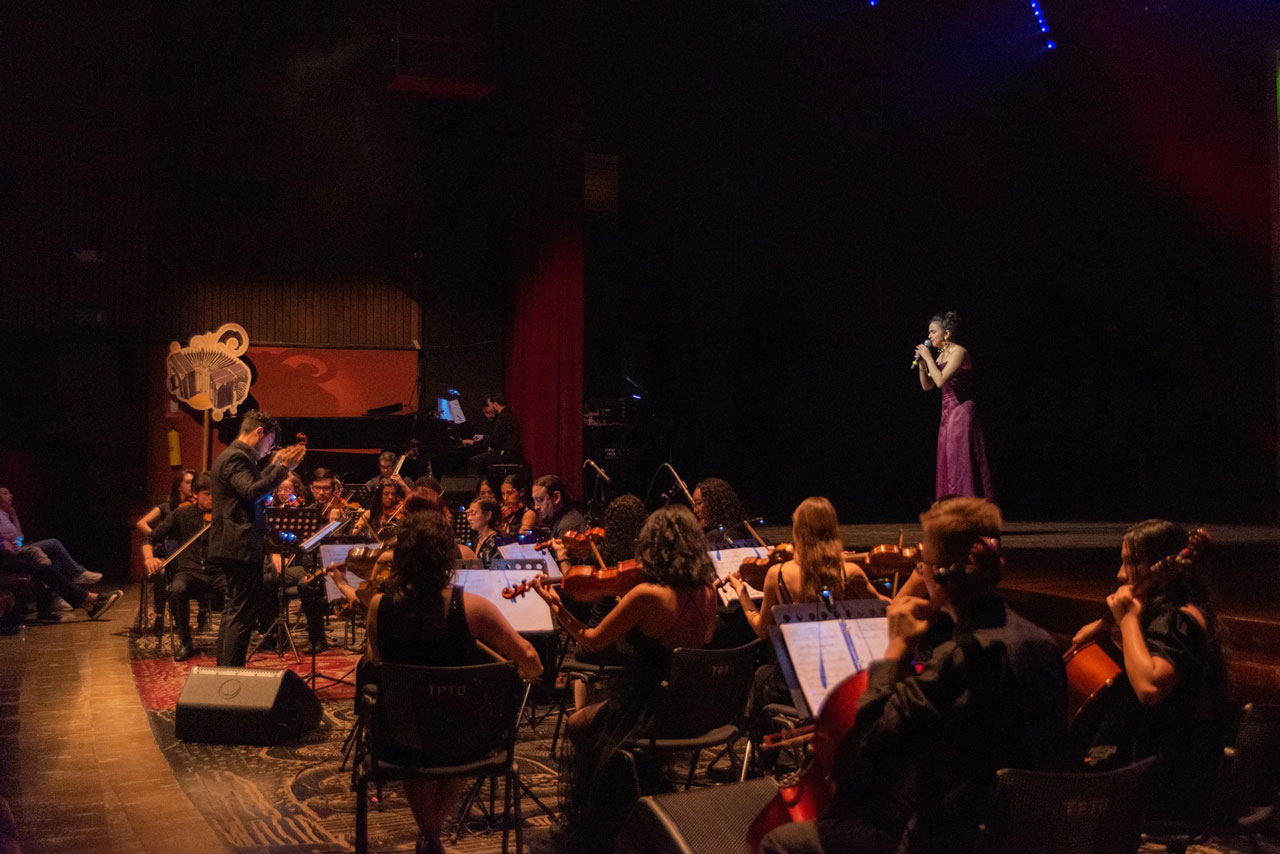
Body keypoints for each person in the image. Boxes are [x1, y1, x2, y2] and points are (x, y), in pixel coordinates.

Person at [760, 497, 1066, 854]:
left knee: (779, 843)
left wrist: (895, 648)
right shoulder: (1043, 645)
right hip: (1022, 839)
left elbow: (867, 748)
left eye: (922, 565)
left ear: (937, 577)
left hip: (951, 842)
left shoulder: (959, 662)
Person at [530, 504, 719, 846]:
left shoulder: (647, 595)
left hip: (644, 705)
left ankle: (605, 822)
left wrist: (556, 607)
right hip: (687, 707)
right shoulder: (709, 592)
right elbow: (696, 641)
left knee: (578, 725)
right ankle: (643, 796)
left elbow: (592, 640)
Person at [365, 510, 542, 854]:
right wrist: (523, 672)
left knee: (417, 723)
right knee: (458, 720)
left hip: (401, 736)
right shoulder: (474, 607)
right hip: (466, 737)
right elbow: (530, 660)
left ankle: (429, 834)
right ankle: (432, 834)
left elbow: (376, 664)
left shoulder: (378, 606)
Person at [1069, 520, 1226, 823]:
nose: (1120, 573)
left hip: (1166, 782)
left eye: (1131, 562)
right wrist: (1105, 626)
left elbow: (1150, 688)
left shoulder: (1180, 620)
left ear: (1160, 568)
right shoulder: (1161, 617)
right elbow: (1119, 666)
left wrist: (1126, 618)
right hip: (1143, 768)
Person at [209, 410, 305, 667]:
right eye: (270, 442)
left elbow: (251, 490)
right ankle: (230, 673)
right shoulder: (236, 458)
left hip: (236, 545)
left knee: (235, 613)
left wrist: (275, 466)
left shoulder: (234, 457)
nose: (269, 449)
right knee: (240, 615)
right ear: (260, 432)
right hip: (238, 545)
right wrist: (283, 469)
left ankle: (227, 671)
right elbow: (251, 493)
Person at [142, 474, 225, 661]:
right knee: (177, 590)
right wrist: (149, 558)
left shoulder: (223, 514)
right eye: (207, 494)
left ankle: (228, 642)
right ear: (195, 494)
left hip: (217, 572)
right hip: (189, 573)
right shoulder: (183, 514)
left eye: (215, 494)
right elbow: (150, 538)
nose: (212, 498)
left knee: (236, 593)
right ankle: (185, 642)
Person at [914, 311, 994, 500]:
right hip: (947, 414)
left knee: (961, 462)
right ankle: (951, 511)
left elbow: (941, 381)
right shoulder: (940, 357)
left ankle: (969, 510)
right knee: (948, 462)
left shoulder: (960, 352)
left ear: (947, 334)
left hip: (961, 413)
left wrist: (929, 359)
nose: (929, 336)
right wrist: (923, 366)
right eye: (929, 332)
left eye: (933, 332)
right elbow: (928, 386)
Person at [0, 486, 102, 586]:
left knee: (54, 554)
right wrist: (4, 541)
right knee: (53, 543)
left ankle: (57, 596)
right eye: (5, 493)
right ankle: (75, 574)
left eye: (10, 493)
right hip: (9, 556)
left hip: (19, 549)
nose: (11, 495)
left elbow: (20, 538)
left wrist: (14, 517)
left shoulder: (6, 515)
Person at [464, 394, 523, 475]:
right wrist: (484, 438)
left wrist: (480, 440)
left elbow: (496, 440)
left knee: (473, 462)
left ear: (495, 404)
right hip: (508, 452)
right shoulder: (507, 414)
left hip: (507, 453)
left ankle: (478, 486)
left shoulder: (504, 417)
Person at [693, 477, 749, 548]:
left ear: (713, 503)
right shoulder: (743, 530)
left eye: (698, 503)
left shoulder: (715, 536)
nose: (695, 510)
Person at [465, 497, 502, 566]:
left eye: (473, 513)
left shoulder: (496, 541)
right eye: (468, 514)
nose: (469, 518)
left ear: (488, 515)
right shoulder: (476, 539)